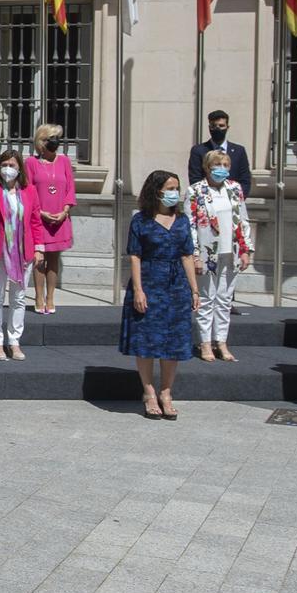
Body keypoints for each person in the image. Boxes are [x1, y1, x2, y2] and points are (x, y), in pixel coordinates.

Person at [121, 170, 199, 420]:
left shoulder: (183, 220)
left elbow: (187, 255)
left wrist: (194, 289)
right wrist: (139, 290)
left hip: (176, 284)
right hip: (150, 279)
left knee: (172, 341)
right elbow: (135, 255)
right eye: (170, 188)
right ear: (157, 191)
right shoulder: (141, 221)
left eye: (177, 188)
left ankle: (167, 391)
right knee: (147, 339)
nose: (174, 192)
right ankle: (148, 391)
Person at [0, 147, 41, 361]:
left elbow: (35, 221)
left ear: (20, 168)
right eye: (4, 165)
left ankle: (14, 340)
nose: (7, 169)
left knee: (19, 298)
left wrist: (39, 247)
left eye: (11, 165)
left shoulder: (29, 191)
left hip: (22, 252)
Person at [186, 149, 254, 361]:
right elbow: (191, 225)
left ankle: (221, 341)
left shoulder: (234, 188)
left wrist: (246, 249)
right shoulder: (196, 190)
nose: (222, 169)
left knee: (224, 299)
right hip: (208, 252)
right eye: (218, 165)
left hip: (231, 250)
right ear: (207, 167)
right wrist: (195, 254)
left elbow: (242, 219)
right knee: (207, 298)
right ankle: (205, 343)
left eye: (225, 165)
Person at [26, 123, 76, 315]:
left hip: (60, 218)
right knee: (39, 259)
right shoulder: (31, 162)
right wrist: (39, 213)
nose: (55, 142)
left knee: (54, 258)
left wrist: (65, 210)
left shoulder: (64, 161)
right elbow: (28, 190)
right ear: (41, 141)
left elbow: (70, 188)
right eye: (51, 138)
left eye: (57, 138)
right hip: (40, 218)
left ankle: (50, 297)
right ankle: (38, 296)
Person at [187, 110, 253, 195]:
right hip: (207, 200)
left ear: (227, 127)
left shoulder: (239, 151)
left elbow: (245, 180)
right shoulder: (198, 150)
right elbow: (195, 179)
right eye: (214, 126)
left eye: (221, 126)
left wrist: (236, 199)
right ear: (209, 127)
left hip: (233, 200)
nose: (217, 129)